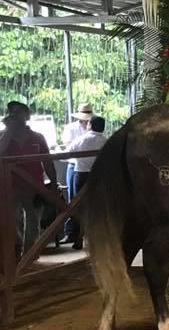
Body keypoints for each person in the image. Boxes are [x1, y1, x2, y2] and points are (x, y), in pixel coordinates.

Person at [0, 101, 57, 260]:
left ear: (26, 116)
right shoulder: (3, 137)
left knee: (33, 221)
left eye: (19, 113)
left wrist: (53, 184)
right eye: (12, 113)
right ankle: (16, 253)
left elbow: (47, 162)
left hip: (34, 186)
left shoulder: (37, 137)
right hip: (9, 187)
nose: (15, 116)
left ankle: (30, 255)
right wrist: (9, 131)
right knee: (12, 221)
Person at [65, 115, 108, 250]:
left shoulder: (81, 139)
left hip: (81, 175)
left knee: (79, 206)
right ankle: (98, 239)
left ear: (90, 125)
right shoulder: (106, 141)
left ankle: (78, 237)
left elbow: (69, 152)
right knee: (98, 207)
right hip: (99, 177)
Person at [61, 102, 94, 243]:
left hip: (90, 167)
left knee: (90, 201)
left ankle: (87, 234)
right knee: (73, 201)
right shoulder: (71, 128)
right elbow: (68, 147)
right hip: (74, 165)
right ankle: (71, 233)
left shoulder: (93, 129)